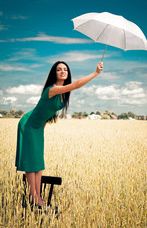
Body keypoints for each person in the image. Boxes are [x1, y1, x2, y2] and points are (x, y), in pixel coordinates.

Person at [15, 60, 103, 207]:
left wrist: (41, 129)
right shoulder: (52, 89)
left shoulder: (63, 93)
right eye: (59, 69)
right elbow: (75, 85)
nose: (63, 71)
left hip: (38, 127)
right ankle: (34, 198)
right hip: (29, 125)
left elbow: (45, 113)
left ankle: (38, 197)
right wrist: (96, 73)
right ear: (54, 73)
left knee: (38, 163)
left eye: (65, 69)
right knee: (31, 163)